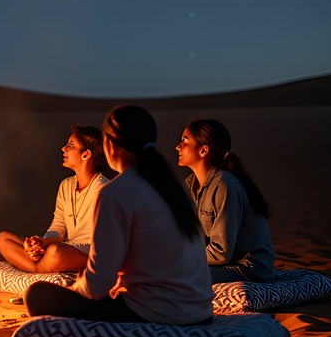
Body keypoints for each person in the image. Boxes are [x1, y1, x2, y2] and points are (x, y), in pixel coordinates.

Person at [25, 105, 213, 325]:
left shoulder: (114, 192)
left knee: (36, 295)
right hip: (200, 313)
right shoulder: (177, 187)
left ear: (110, 146)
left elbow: (97, 286)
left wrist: (75, 289)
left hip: (156, 315)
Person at [0, 123, 111, 273]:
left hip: (88, 255)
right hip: (63, 250)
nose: (64, 149)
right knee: (2, 239)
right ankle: (40, 266)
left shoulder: (103, 190)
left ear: (85, 154)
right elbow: (58, 226)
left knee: (55, 252)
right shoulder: (66, 185)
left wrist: (58, 247)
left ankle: (38, 268)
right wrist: (41, 243)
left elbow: (104, 243)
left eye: (71, 145)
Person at [176, 118, 277, 283]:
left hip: (248, 270)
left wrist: (182, 259)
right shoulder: (192, 185)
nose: (178, 147)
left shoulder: (224, 185)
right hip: (221, 266)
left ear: (203, 150)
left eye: (184, 141)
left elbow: (221, 252)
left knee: (174, 277)